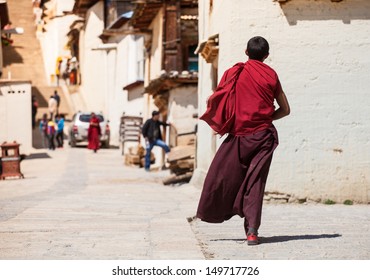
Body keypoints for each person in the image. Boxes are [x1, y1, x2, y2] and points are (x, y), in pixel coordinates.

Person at [196, 36, 290, 245]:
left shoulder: (233, 73)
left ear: (246, 52)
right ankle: (252, 231)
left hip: (238, 138)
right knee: (256, 182)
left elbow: (218, 99)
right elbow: (285, 110)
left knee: (220, 176)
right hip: (263, 138)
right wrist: (266, 117)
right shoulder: (271, 75)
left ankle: (209, 212)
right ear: (266, 56)